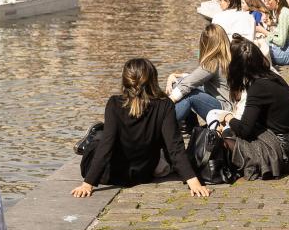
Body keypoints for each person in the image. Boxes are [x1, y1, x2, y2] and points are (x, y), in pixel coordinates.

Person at [72, 58, 210, 199]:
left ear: (125, 80)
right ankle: (96, 133)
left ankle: (91, 137)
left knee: (99, 139)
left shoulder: (114, 103)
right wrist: (193, 181)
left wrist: (88, 183)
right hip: (142, 174)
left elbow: (106, 146)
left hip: (111, 174)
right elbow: (174, 146)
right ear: (153, 78)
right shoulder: (165, 105)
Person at [216, 37, 289, 180]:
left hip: (284, 153)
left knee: (225, 138)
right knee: (229, 132)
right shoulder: (272, 76)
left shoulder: (258, 87)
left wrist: (227, 118)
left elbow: (244, 130)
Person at [167, 24, 234, 126]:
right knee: (178, 83)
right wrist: (173, 77)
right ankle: (187, 126)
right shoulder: (227, 58)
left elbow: (188, 84)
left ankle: (164, 125)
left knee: (189, 95)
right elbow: (194, 78)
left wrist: (164, 105)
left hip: (225, 109)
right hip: (227, 103)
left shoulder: (213, 62)